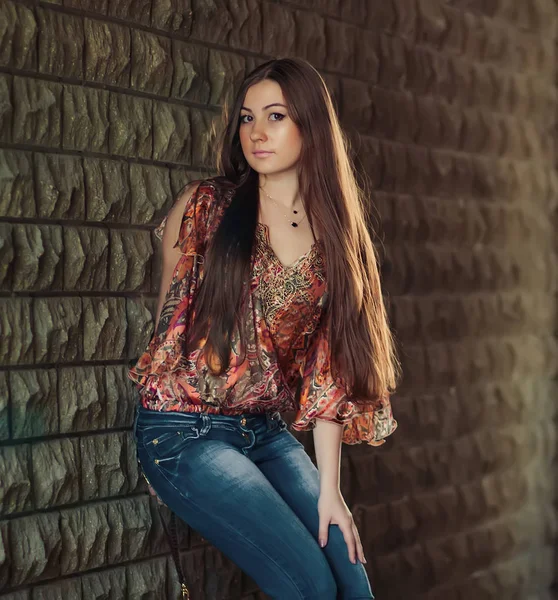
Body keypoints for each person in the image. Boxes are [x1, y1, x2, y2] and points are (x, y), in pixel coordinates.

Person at [129, 57, 399, 599]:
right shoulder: (207, 206)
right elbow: (166, 334)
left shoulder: (335, 236)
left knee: (351, 582)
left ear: (310, 125)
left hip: (266, 434)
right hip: (185, 433)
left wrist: (330, 491)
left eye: (275, 116)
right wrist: (169, 471)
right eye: (248, 118)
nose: (256, 132)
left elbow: (331, 371)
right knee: (312, 588)